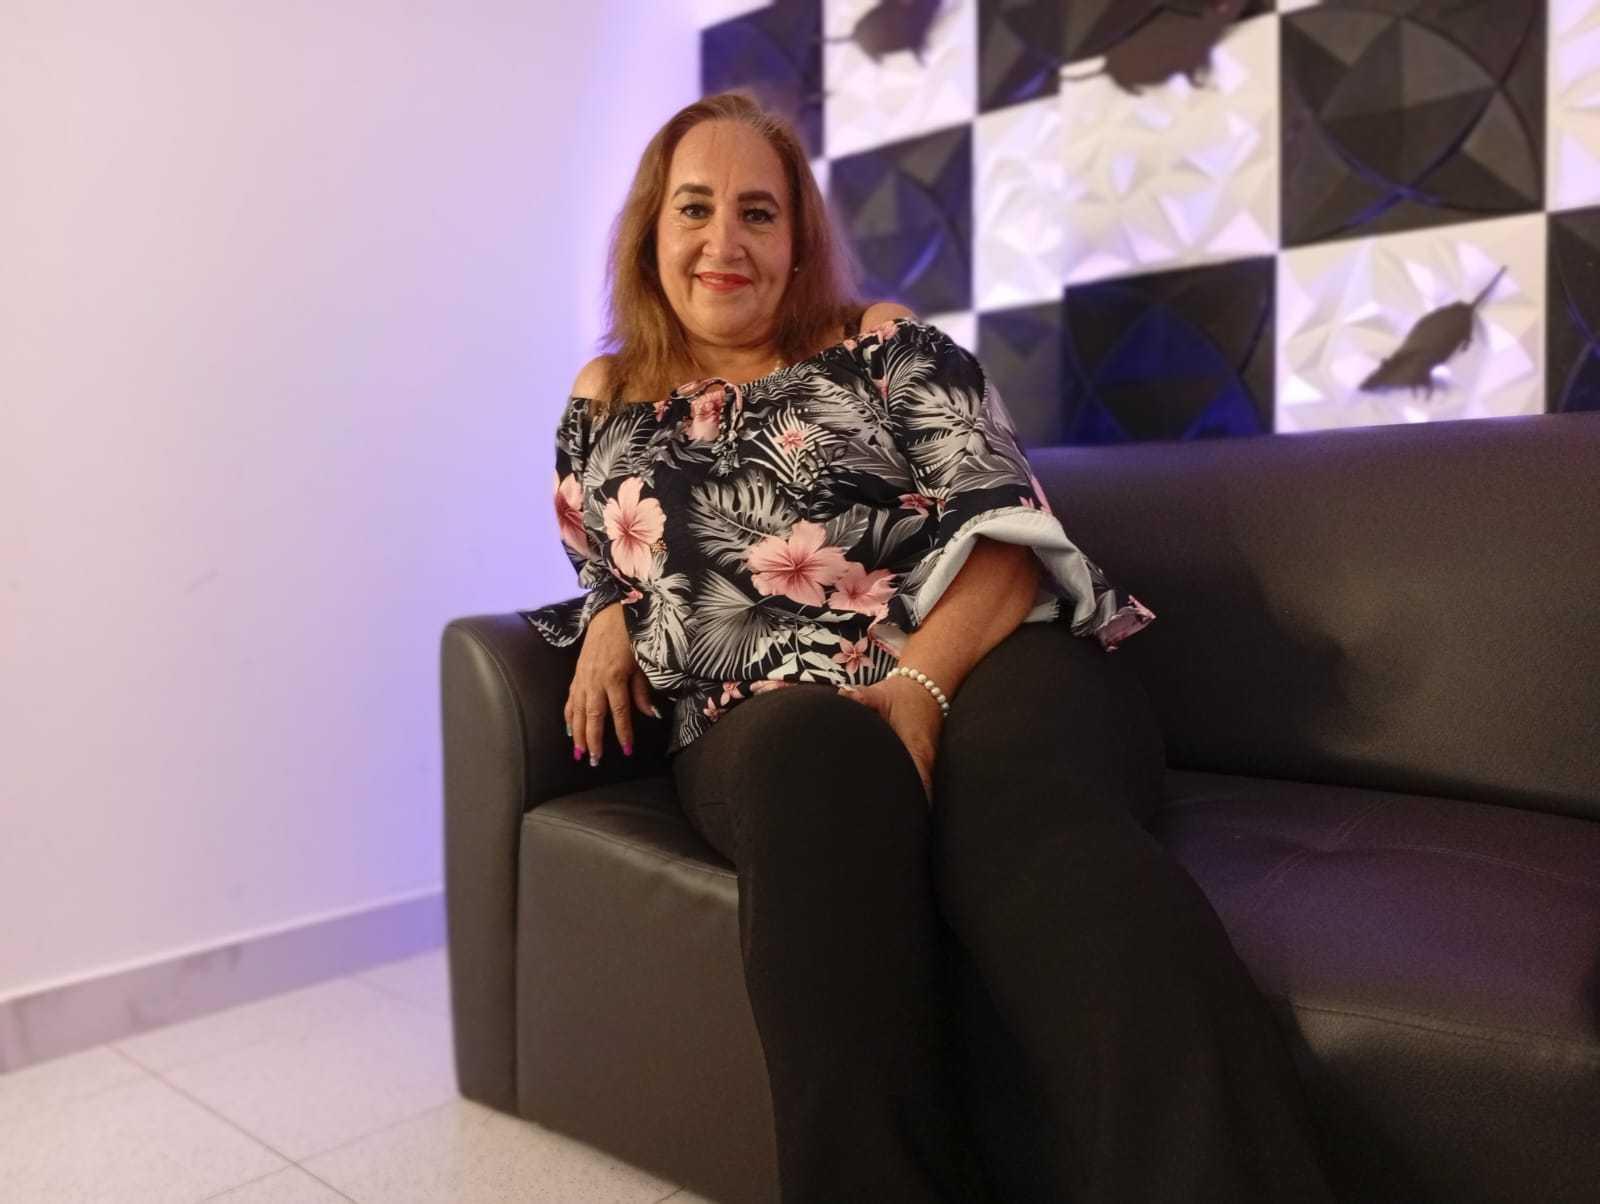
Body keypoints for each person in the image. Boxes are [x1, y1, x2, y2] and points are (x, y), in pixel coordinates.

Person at [520, 90, 1336, 1203]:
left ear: (797, 240)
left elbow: (1009, 533)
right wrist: (610, 616)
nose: (724, 242)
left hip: (987, 658)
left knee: (1023, 822)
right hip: (762, 711)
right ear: (651, 231)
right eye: (694, 208)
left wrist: (917, 684)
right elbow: (604, 552)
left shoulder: (878, 341)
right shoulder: (604, 396)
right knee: (815, 764)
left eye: (758, 213)